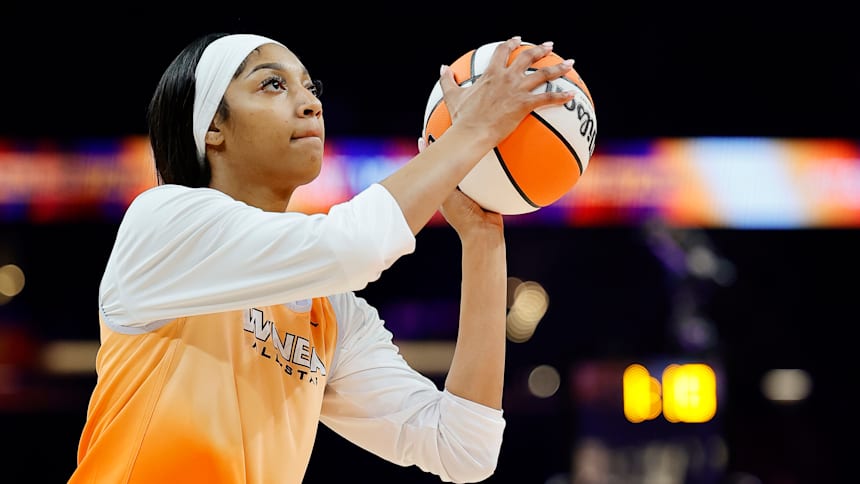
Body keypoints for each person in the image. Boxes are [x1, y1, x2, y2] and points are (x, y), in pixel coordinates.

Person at [69, 32, 575, 484]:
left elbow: (464, 449)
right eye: (272, 84)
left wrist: (482, 235)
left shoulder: (330, 311)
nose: (310, 105)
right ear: (211, 129)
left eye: (311, 89)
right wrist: (474, 132)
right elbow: (355, 245)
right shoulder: (163, 223)